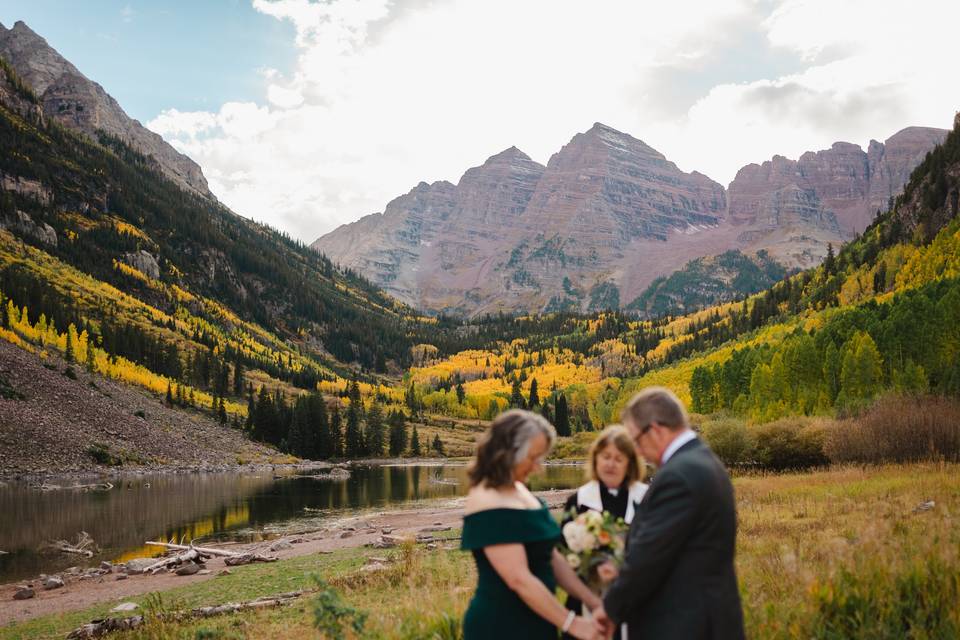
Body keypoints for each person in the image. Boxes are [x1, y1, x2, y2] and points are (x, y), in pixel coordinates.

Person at [596, 387, 745, 640]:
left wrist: (610, 609)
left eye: (635, 440)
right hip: (709, 618)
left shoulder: (678, 475)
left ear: (655, 430)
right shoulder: (704, 461)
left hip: (684, 624)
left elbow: (650, 556)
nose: (638, 452)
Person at [461, 409, 606, 640]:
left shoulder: (520, 489)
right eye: (533, 458)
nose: (538, 467)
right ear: (509, 452)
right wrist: (572, 623)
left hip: (539, 617)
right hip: (501, 626)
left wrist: (593, 602)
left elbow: (551, 557)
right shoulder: (487, 499)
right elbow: (519, 579)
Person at [561, 425, 647, 640]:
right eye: (606, 456)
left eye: (618, 458)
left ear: (629, 464)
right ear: (595, 458)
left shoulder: (646, 499)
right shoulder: (578, 501)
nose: (610, 464)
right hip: (586, 600)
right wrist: (591, 568)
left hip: (635, 603)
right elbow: (563, 553)